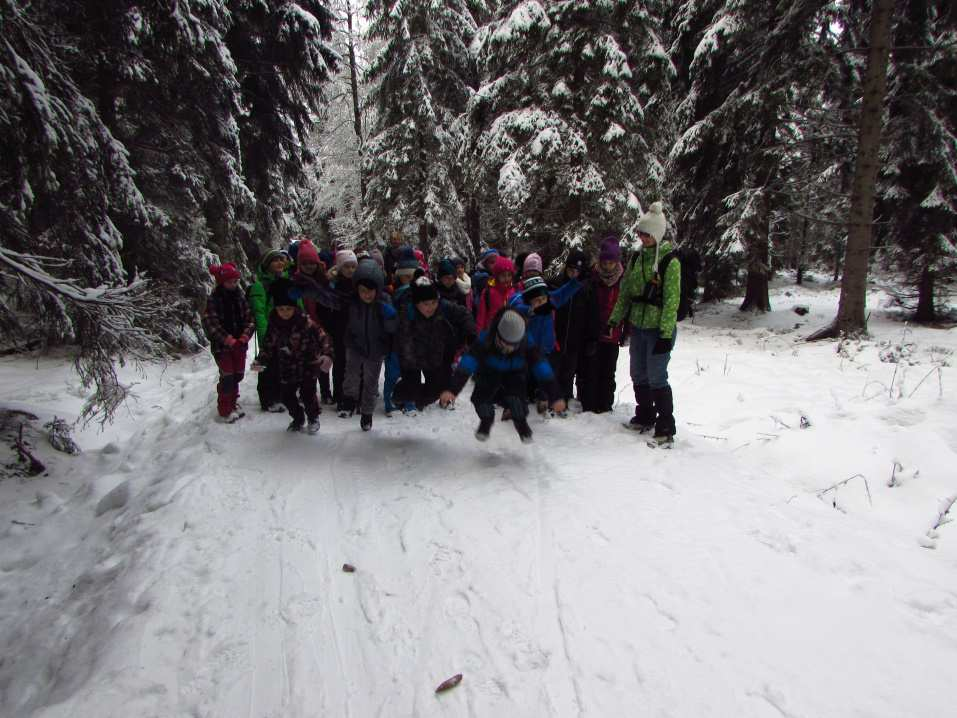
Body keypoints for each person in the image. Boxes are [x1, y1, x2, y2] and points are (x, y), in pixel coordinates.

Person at [608, 202, 680, 446]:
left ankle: (666, 427)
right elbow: (626, 291)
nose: (643, 237)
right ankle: (645, 415)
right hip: (638, 326)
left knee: (657, 376)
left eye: (647, 234)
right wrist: (615, 319)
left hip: (658, 329)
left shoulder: (670, 262)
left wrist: (665, 334)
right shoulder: (637, 258)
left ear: (658, 234)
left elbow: (672, 300)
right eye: (641, 233)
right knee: (638, 373)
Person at [442, 308, 566, 443]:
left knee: (516, 400)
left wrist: (555, 396)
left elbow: (542, 367)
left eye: (513, 345)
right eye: (504, 343)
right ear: (497, 335)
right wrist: (452, 389)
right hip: (489, 371)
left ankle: (521, 424)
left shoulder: (526, 342)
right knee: (480, 399)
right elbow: (467, 364)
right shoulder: (485, 339)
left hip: (515, 372)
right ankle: (487, 420)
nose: (508, 349)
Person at [252, 279, 333, 434]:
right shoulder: (274, 324)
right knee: (286, 395)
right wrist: (261, 360)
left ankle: (313, 417)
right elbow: (268, 344)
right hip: (287, 366)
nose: (285, 313)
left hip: (308, 364)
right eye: (281, 309)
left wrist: (327, 354)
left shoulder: (306, 322)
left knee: (308, 395)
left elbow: (323, 337)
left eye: (288, 309)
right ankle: (298, 417)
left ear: (294, 308)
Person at [393, 277, 476, 414]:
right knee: (410, 388)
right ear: (416, 303)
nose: (431, 307)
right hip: (412, 357)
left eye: (434, 303)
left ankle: (419, 401)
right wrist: (411, 366)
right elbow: (404, 344)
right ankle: (399, 395)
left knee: (436, 390)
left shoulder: (443, 306)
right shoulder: (407, 313)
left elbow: (464, 314)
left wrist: (470, 333)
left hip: (434, 353)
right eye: (426, 304)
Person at [508, 273, 583, 415]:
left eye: (543, 299)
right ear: (529, 300)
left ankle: (543, 400)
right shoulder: (523, 306)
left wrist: (576, 281)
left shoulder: (549, 302)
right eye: (536, 300)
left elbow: (564, 292)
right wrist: (531, 310)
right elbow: (514, 303)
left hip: (546, 349)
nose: (541, 302)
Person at [342, 259, 397, 431]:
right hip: (355, 344)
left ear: (378, 289)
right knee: (351, 374)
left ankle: (367, 414)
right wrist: (308, 290)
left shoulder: (384, 301)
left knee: (370, 383)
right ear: (357, 289)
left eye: (371, 291)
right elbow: (329, 298)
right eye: (363, 291)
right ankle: (349, 401)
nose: (367, 295)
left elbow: (393, 328)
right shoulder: (352, 302)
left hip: (376, 348)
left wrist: (389, 316)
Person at [202, 263, 256, 423]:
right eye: (229, 282)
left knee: (238, 374)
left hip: (240, 345)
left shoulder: (240, 297)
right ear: (222, 282)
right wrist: (228, 339)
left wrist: (245, 336)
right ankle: (225, 409)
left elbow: (250, 319)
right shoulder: (214, 300)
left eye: (235, 281)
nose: (233, 285)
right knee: (228, 376)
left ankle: (233, 402)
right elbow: (210, 323)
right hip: (222, 347)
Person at [580, 235, 626, 414]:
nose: (607, 266)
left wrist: (625, 331)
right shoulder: (592, 277)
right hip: (592, 332)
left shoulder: (623, 280)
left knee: (608, 372)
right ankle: (589, 405)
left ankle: (605, 405)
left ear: (616, 261)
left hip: (613, 333)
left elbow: (626, 306)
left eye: (611, 262)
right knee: (590, 370)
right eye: (605, 262)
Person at [290, 239, 338, 405]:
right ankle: (306, 392)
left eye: (312, 263)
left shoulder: (324, 280)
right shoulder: (296, 281)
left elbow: (332, 298)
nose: (309, 266)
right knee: (305, 362)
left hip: (323, 324)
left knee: (323, 360)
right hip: (304, 326)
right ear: (299, 265)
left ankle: (325, 392)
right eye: (305, 263)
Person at [248, 248, 292, 412]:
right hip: (270, 331)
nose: (280, 263)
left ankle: (281, 397)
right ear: (267, 265)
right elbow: (259, 313)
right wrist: (264, 335)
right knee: (268, 366)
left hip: (287, 330)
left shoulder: (288, 281)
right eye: (275, 260)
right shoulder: (260, 286)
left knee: (284, 364)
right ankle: (268, 399)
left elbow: (297, 305)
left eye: (281, 259)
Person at [551, 249, 592, 406]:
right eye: (570, 270)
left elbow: (591, 316)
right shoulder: (555, 284)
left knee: (569, 371)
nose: (573, 274)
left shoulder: (585, 289)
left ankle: (566, 397)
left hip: (575, 338)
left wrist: (590, 338)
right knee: (554, 368)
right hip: (556, 336)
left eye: (577, 271)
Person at [328, 249, 358, 416]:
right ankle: (339, 395)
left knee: (354, 365)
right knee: (340, 363)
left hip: (355, 329)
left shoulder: (358, 284)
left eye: (353, 267)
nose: (350, 270)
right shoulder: (333, 285)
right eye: (347, 267)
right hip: (339, 330)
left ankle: (354, 395)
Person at [476, 255, 516, 332]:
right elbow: (481, 316)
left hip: (508, 332)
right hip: (491, 332)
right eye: (503, 275)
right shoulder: (488, 292)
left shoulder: (513, 292)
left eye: (509, 275)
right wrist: (479, 333)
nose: (507, 279)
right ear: (497, 276)